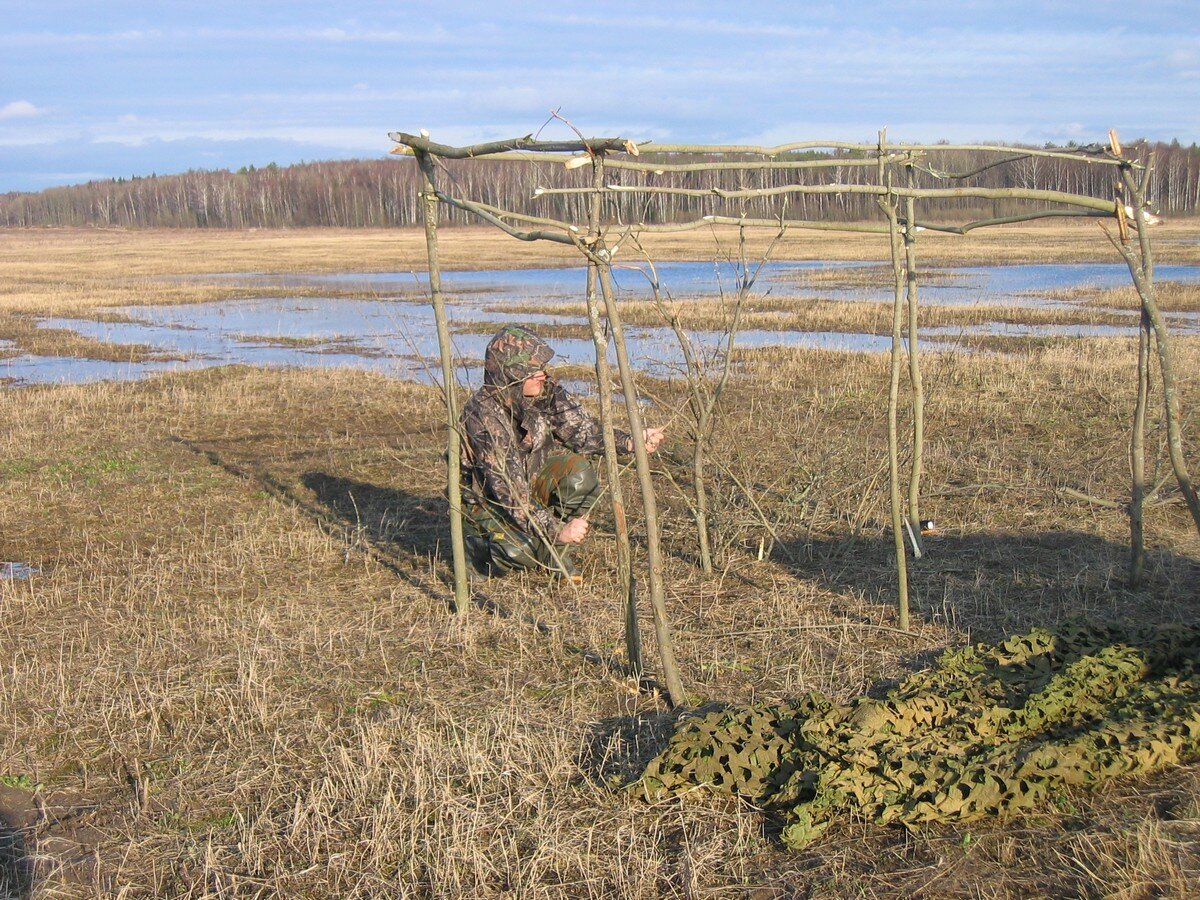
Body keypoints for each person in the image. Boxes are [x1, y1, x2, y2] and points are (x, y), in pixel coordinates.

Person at [458, 325, 665, 581]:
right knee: (516, 551)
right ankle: (477, 548)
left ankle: (550, 549)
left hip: (529, 483)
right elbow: (509, 491)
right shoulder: (483, 415)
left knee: (578, 475)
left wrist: (630, 441)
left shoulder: (544, 392)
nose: (542, 375)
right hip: (487, 501)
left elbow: (582, 431)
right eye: (533, 370)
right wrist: (556, 529)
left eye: (542, 367)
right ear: (512, 374)